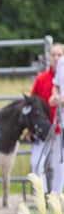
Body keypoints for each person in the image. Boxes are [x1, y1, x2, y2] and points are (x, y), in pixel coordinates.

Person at [36, 43, 64, 193]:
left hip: (60, 121)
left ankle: (58, 195)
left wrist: (60, 100)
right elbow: (56, 86)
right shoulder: (44, 77)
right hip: (51, 123)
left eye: (59, 54)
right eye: (53, 54)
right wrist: (55, 96)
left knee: (60, 162)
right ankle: (46, 195)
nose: (56, 58)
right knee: (42, 161)